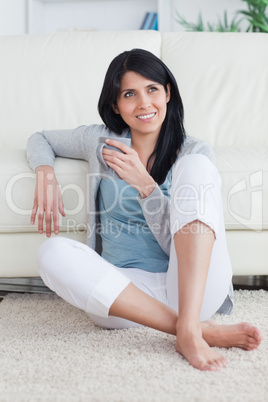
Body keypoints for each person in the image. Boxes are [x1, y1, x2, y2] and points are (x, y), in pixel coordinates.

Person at [27, 48, 262, 371]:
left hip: (192, 290)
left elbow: (178, 242)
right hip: (124, 298)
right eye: (129, 94)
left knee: (196, 167)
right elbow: (40, 138)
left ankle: (189, 323)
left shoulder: (193, 150)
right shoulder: (101, 141)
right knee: (51, 252)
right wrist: (45, 172)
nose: (144, 104)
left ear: (167, 92)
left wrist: (146, 186)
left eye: (152, 89)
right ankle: (192, 330)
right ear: (115, 105)